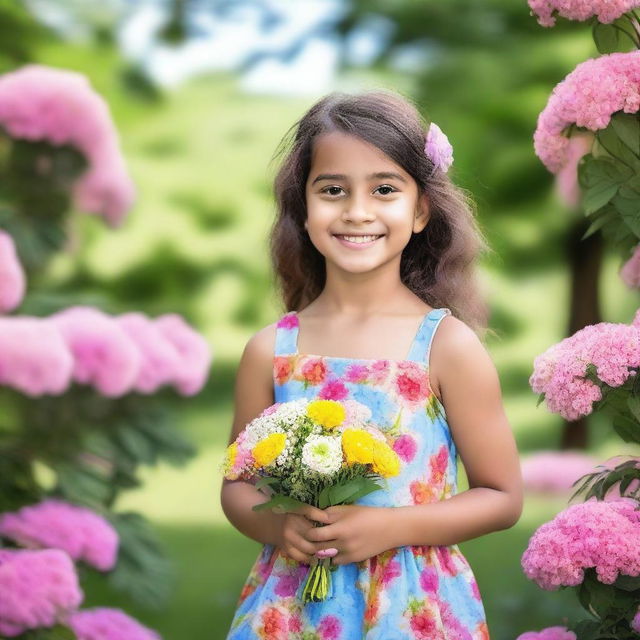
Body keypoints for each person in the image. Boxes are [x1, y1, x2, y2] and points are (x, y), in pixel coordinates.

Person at [220, 89, 523, 639]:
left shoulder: (446, 347)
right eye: (332, 190)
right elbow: (238, 485)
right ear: (304, 209)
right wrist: (278, 524)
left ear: (421, 209)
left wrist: (393, 526)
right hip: (289, 612)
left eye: (384, 189)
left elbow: (501, 497)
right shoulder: (271, 351)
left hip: (411, 610)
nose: (357, 211)